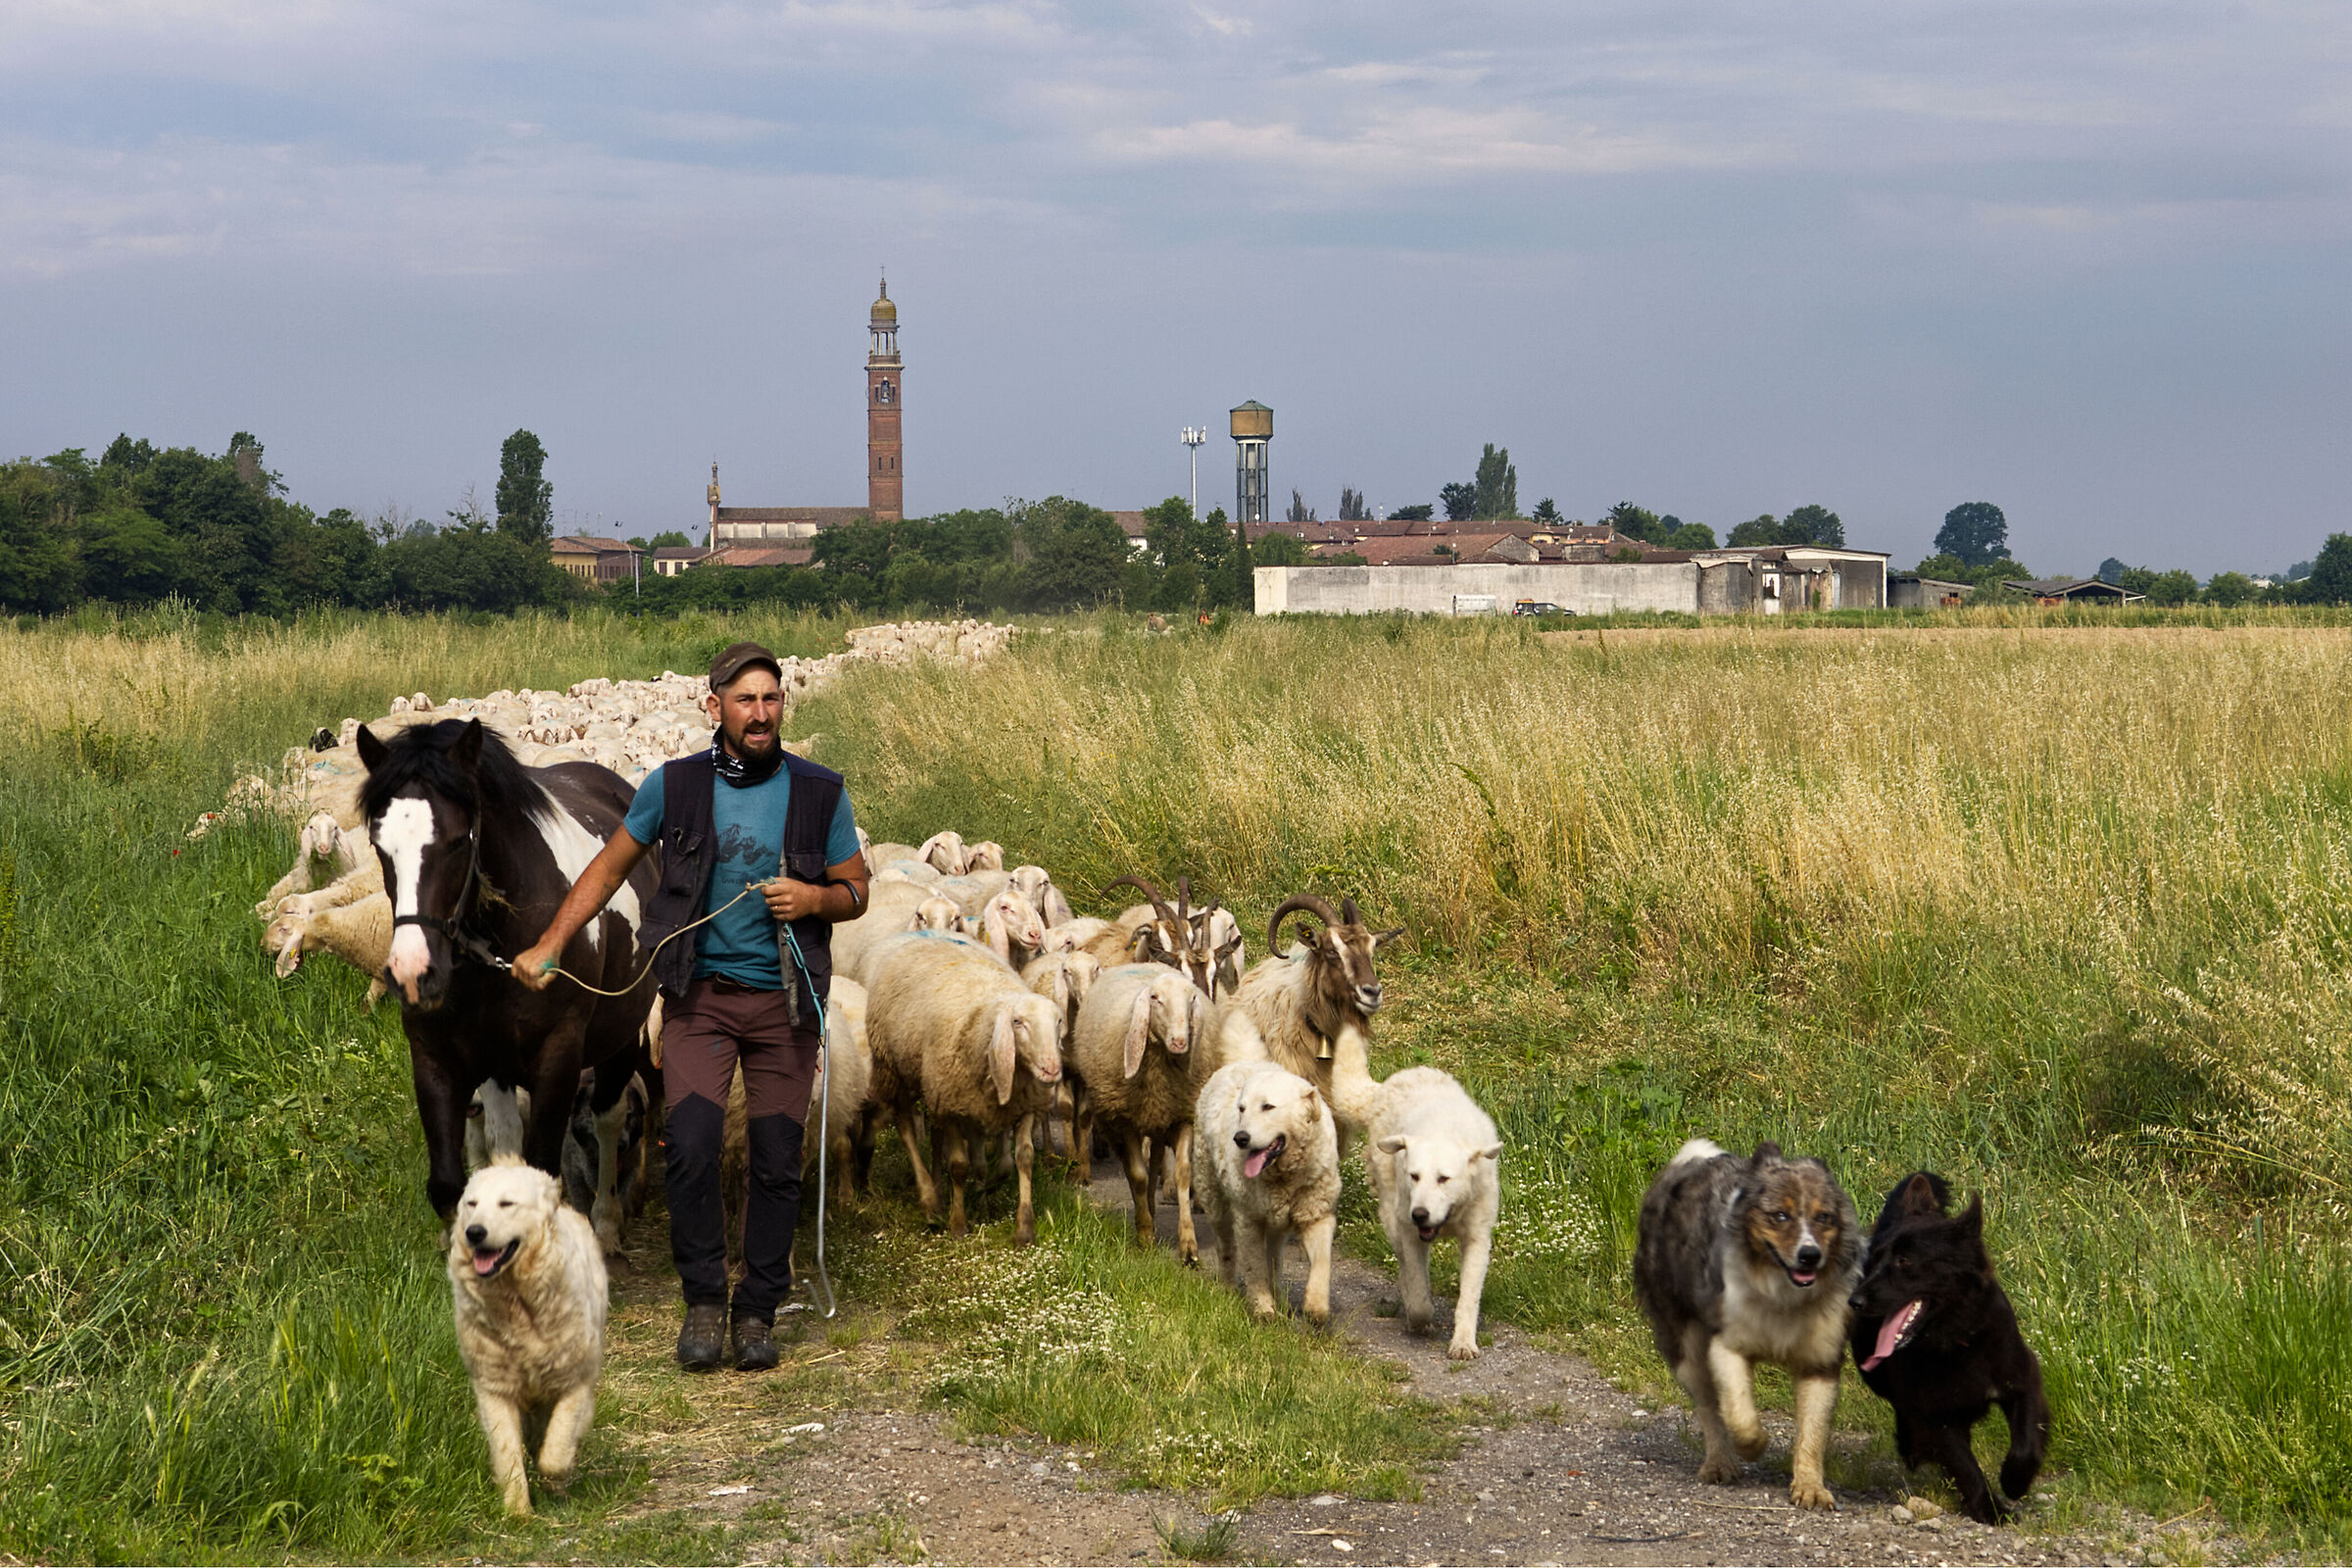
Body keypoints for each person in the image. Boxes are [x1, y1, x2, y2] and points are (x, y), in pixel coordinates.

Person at [514, 642, 868, 1372]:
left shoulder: (819, 792)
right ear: (715, 706)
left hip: (785, 1002)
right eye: (746, 700)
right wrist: (550, 942)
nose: (761, 713)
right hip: (699, 998)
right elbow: (605, 870)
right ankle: (705, 1302)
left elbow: (857, 889)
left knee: (777, 1159)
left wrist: (814, 899)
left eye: (771, 699)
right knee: (693, 1148)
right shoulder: (672, 788)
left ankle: (758, 1310)